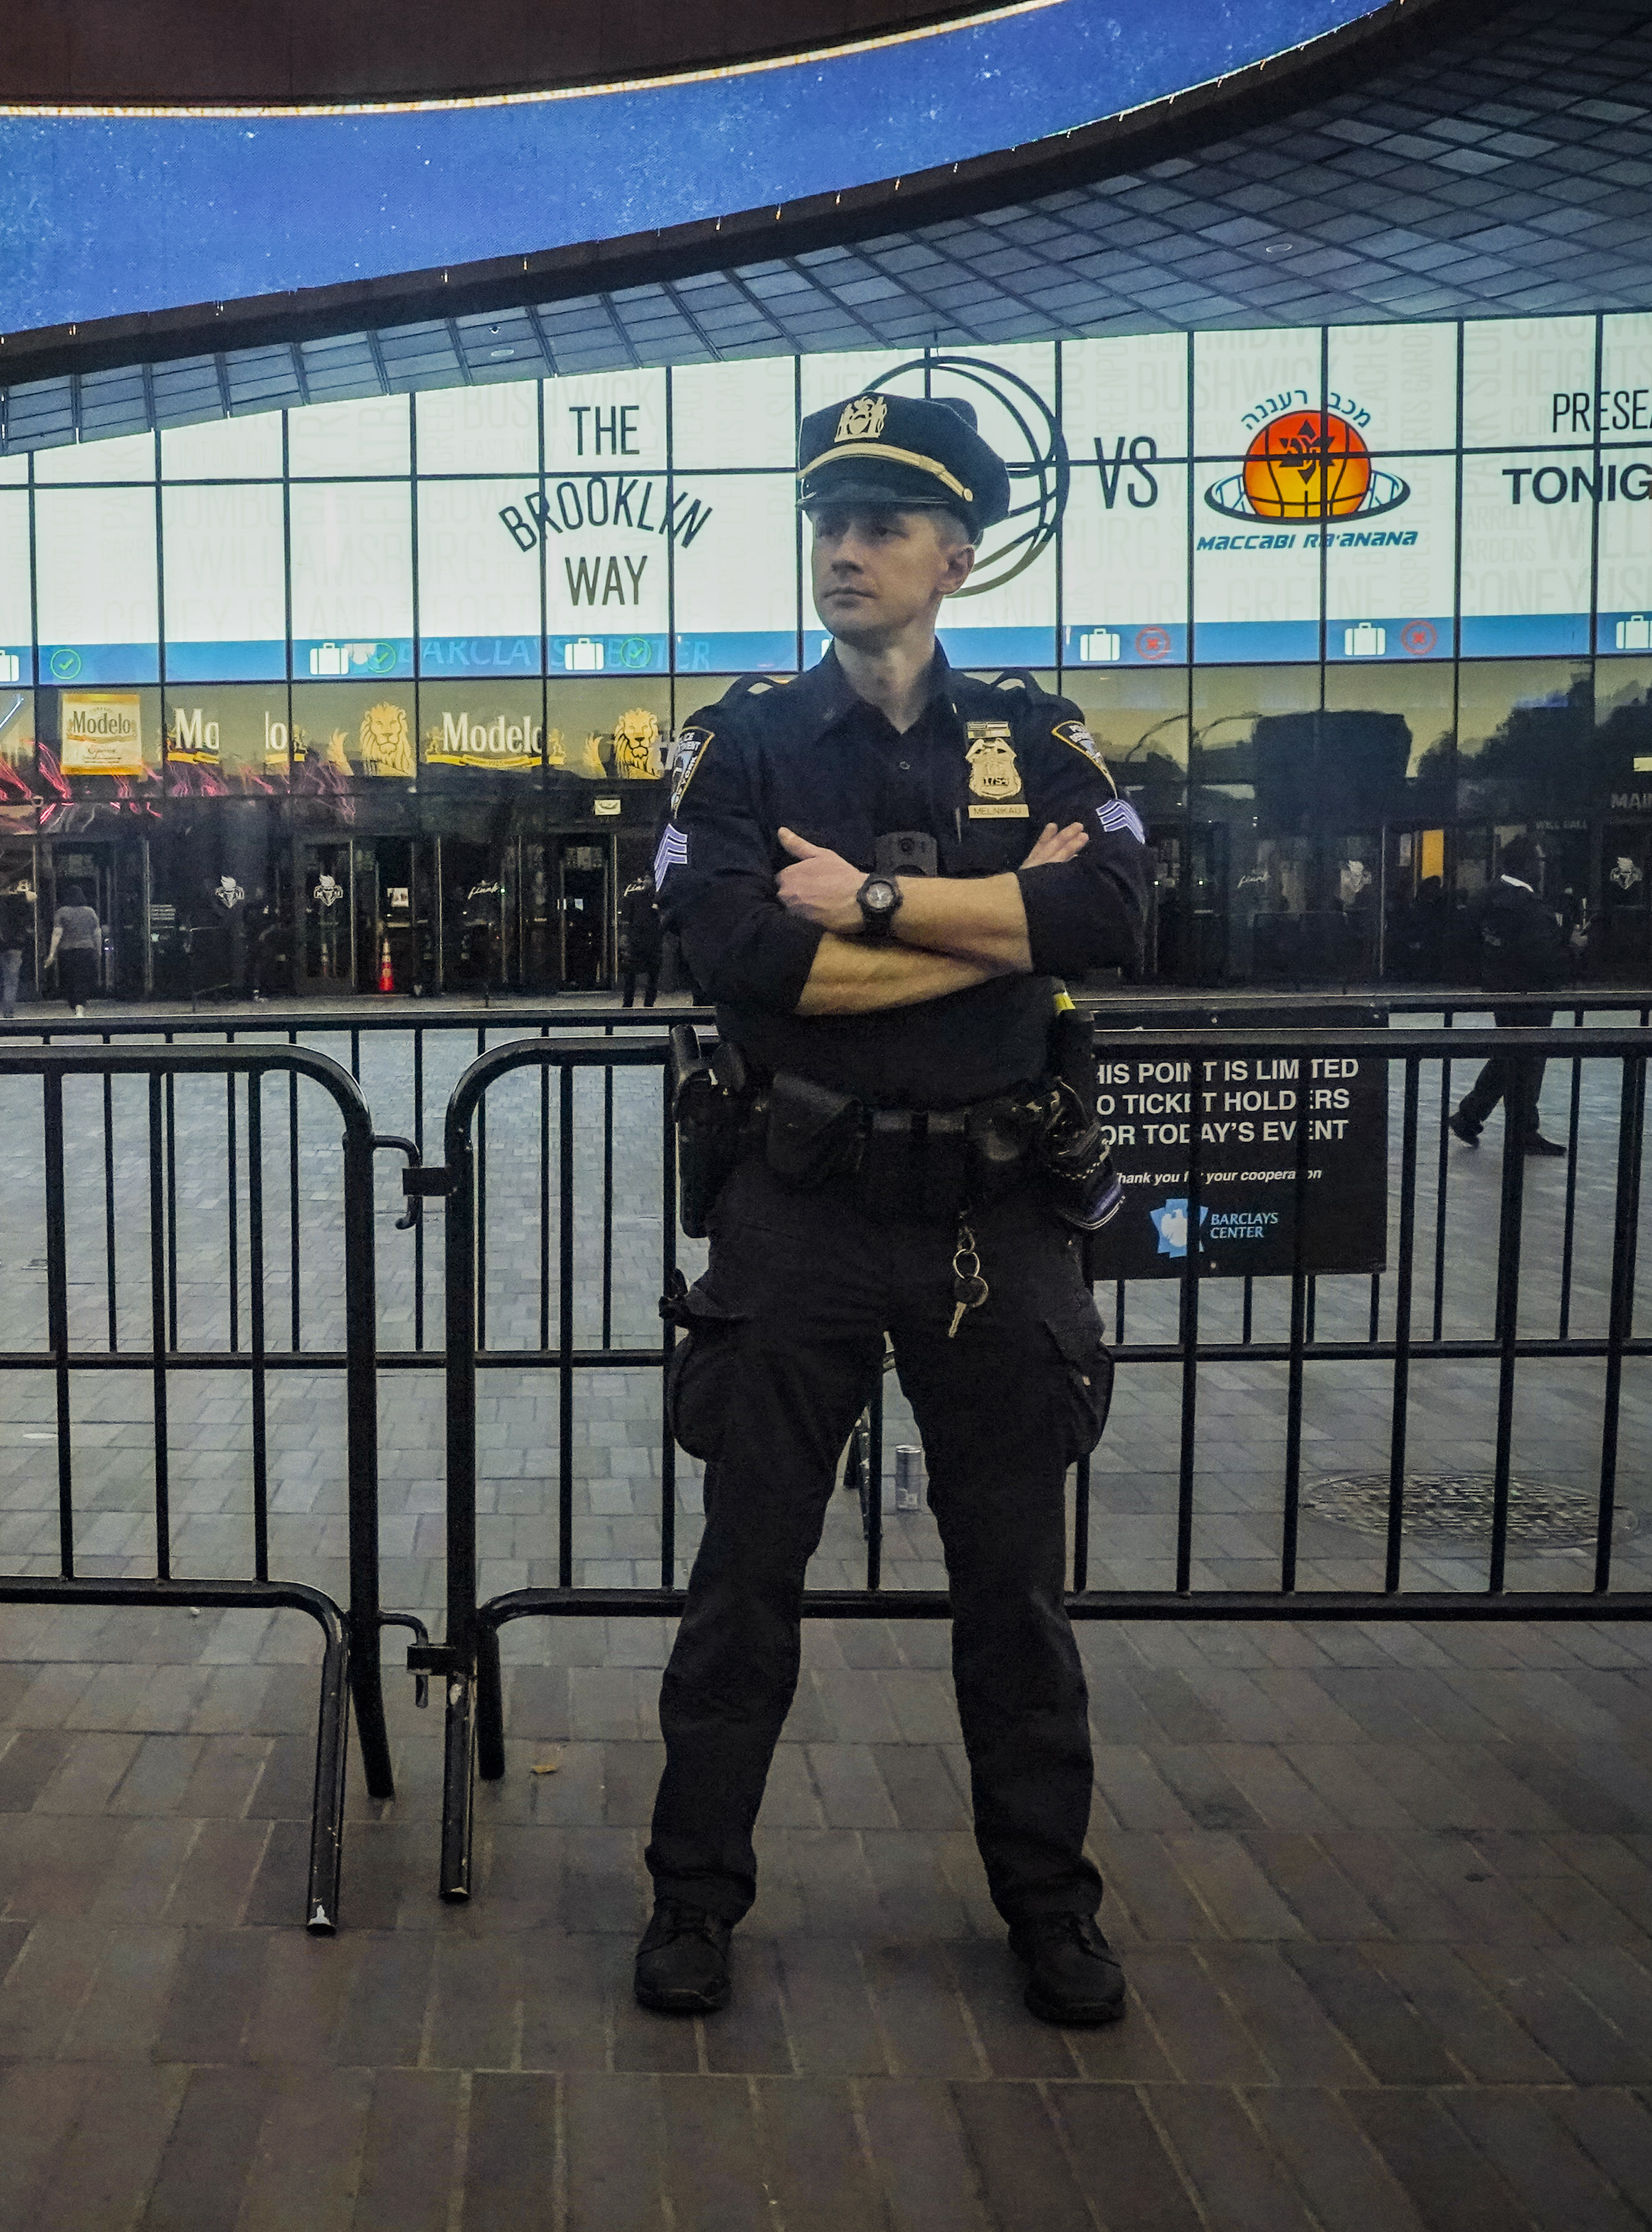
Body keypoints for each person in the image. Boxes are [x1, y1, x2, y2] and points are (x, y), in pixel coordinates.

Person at [640, 393, 1149, 2028]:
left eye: (883, 520)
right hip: (798, 1207)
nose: (845, 547)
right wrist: (998, 927)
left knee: (1015, 1592)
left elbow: (1118, 906)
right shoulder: (743, 740)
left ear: (960, 553)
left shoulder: (1037, 729)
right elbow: (730, 947)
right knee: (745, 1582)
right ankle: (693, 1896)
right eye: (829, 518)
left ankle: (1049, 1906)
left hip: (996, 1216)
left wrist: (867, 899)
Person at [1447, 835, 1569, 1155]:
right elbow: (1541, 953)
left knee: (1511, 1055)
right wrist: (1573, 946)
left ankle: (1472, 1116)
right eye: (1539, 861)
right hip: (1530, 991)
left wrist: (1489, 970)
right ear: (1527, 864)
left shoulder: (1488, 895)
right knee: (1526, 1059)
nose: (1542, 868)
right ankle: (1519, 1129)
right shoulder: (1522, 903)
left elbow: (1468, 939)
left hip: (1501, 987)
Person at [0, 877, 33, 1019]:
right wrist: (20, 892)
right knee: (11, 981)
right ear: (9, 887)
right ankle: (8, 1011)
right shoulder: (16, 901)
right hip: (13, 947)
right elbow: (33, 898)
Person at [47, 886, 104, 1015]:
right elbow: (97, 932)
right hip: (86, 949)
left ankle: (74, 1005)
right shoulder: (90, 912)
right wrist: (98, 950)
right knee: (83, 979)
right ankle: (81, 1006)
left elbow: (57, 933)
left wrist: (52, 953)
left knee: (69, 979)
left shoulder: (61, 912)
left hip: (67, 951)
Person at [620, 871, 666, 1007]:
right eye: (645, 879)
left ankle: (648, 1004)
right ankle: (628, 1003)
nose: (645, 882)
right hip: (638, 941)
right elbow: (628, 918)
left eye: (648, 879)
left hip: (652, 942)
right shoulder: (636, 896)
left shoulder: (658, 898)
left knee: (652, 976)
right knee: (631, 975)